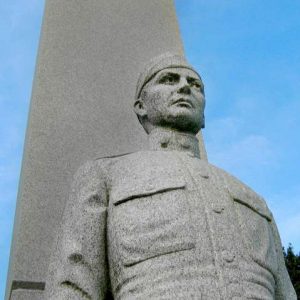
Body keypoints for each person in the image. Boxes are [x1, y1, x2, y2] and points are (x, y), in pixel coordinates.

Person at [45, 53, 296, 299]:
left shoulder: (252, 197)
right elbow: (73, 283)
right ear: (141, 106)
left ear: (204, 114)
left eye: (195, 85)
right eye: (169, 80)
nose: (185, 87)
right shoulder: (106, 175)